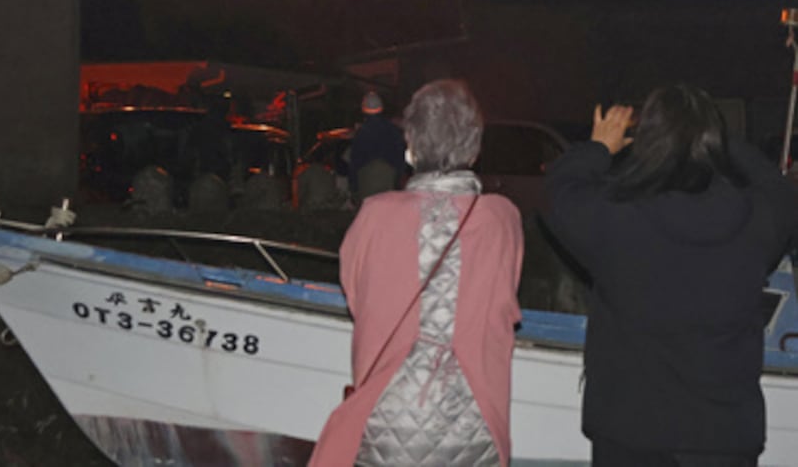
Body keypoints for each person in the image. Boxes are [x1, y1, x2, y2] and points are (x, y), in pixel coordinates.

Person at [544, 83, 798, 467]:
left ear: (649, 142)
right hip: (723, 438)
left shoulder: (616, 222)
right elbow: (777, 187)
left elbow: (559, 191)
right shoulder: (756, 223)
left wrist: (598, 146)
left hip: (630, 433)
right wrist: (712, 135)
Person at [309, 79, 524, 467]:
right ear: (475, 148)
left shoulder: (376, 214)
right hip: (474, 426)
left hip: (385, 419)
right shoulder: (501, 219)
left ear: (410, 145)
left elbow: (357, 296)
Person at [348, 90, 408, 200]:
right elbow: (401, 159)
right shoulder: (393, 131)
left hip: (367, 185)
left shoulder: (362, 133)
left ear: (363, 109)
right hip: (389, 184)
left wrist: (354, 188)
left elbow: (355, 162)